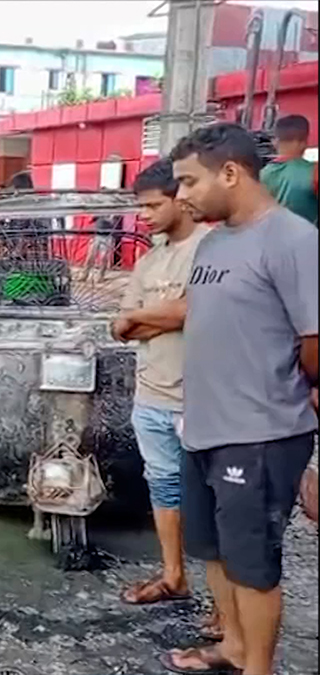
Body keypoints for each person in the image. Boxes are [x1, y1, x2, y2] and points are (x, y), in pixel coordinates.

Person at [166, 123, 318, 675]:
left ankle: (259, 667)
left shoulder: (295, 240)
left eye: (188, 181)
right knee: (213, 549)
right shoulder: (216, 242)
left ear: (230, 173)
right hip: (204, 425)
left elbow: (314, 343)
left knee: (254, 564)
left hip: (258, 434)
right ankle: (232, 646)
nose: (181, 195)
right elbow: (203, 314)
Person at [111, 159, 208, 612]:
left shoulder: (211, 249)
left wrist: (143, 317)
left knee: (213, 498)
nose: (144, 216)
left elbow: (192, 311)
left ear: (181, 200)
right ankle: (174, 575)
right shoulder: (150, 259)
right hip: (151, 394)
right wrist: (155, 315)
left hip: (201, 398)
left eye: (153, 205)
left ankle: (227, 608)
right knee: (163, 487)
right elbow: (119, 325)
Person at [261, 114, 318, 225]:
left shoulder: (261, 174)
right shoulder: (314, 172)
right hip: (307, 239)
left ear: (275, 142)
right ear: (304, 143)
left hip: (268, 239)